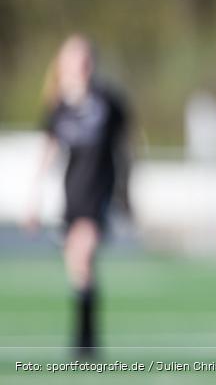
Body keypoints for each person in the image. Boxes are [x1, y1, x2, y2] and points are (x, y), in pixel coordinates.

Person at [24, 34, 131, 357]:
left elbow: (125, 150)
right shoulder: (59, 107)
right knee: (78, 268)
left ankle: (84, 342)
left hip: (100, 194)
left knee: (83, 254)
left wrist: (127, 193)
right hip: (72, 197)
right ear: (63, 64)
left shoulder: (108, 103)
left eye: (85, 58)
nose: (80, 65)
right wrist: (34, 197)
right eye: (74, 59)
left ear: (92, 62)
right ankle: (87, 338)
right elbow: (48, 153)